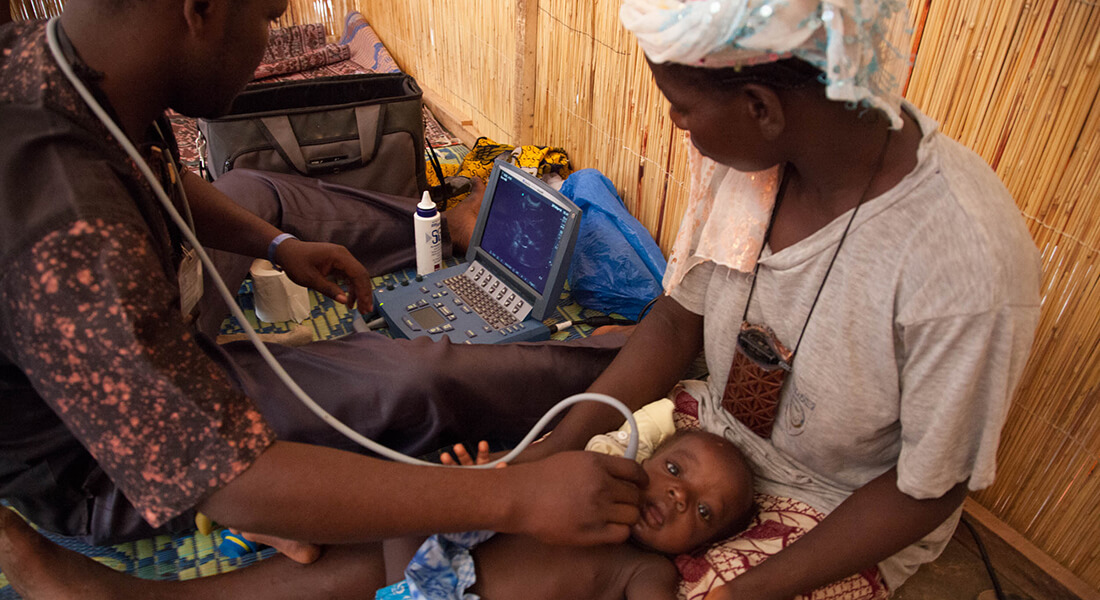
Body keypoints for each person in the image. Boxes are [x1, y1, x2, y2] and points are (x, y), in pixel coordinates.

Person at [0, 0, 642, 597]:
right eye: (267, 18)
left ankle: (442, 228)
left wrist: (278, 245)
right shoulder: (68, 225)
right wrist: (517, 498)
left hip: (133, 321)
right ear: (201, 10)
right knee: (413, 377)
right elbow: (229, 478)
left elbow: (150, 174)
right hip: (101, 465)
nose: (265, 48)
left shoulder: (60, 61)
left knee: (252, 191)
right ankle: (601, 364)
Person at [515, 0, 1043, 598]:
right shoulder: (753, 163)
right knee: (541, 511)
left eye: (682, 106)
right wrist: (558, 451)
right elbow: (675, 322)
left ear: (761, 107)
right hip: (706, 436)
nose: (675, 122)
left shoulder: (963, 269)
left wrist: (745, 593)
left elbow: (928, 485)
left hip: (838, 506)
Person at [0, 429, 755, 600]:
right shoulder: (586, 487)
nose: (678, 497)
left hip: (430, 589)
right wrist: (479, 488)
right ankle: (289, 524)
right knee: (409, 483)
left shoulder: (642, 565)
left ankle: (286, 528)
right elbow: (491, 512)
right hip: (429, 571)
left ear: (712, 542)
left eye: (705, 511)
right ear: (648, 452)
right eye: (676, 470)